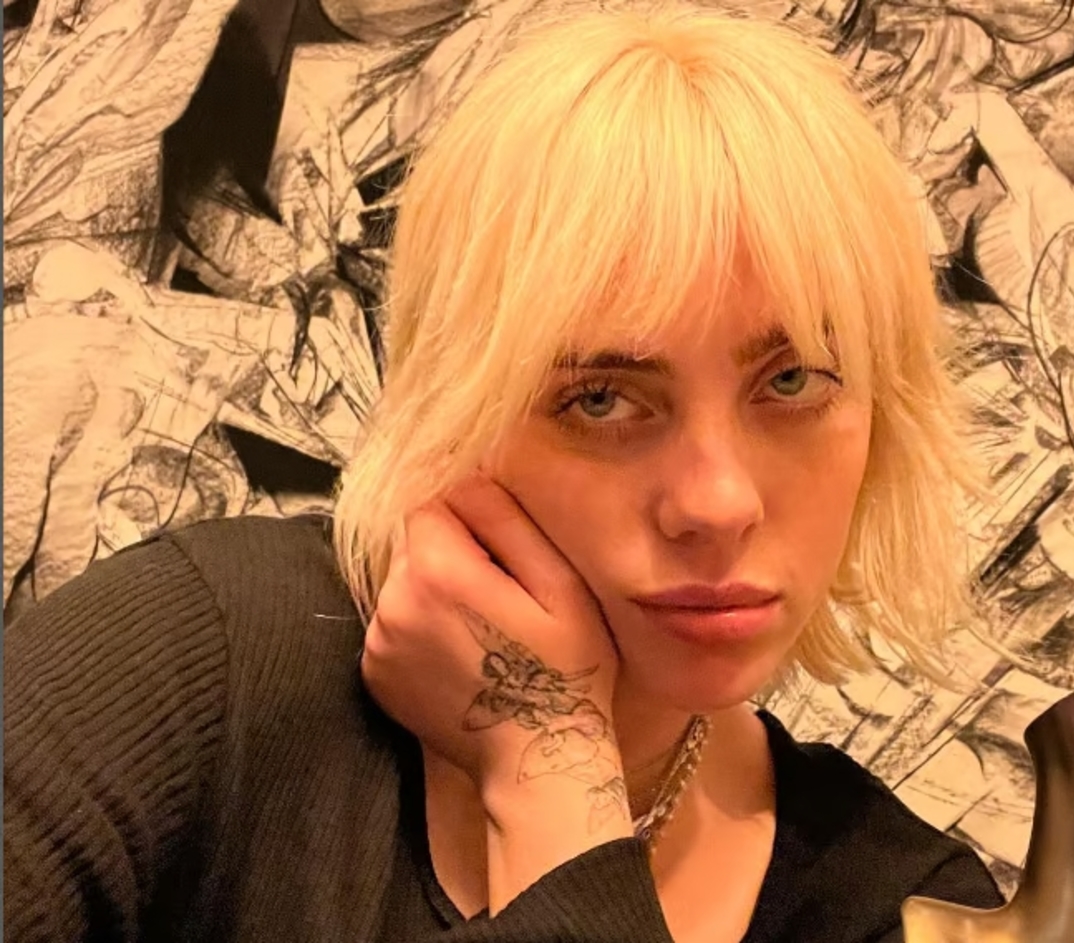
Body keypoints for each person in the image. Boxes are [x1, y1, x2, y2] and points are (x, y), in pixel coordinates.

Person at [3, 3, 1006, 942]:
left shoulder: (909, 907)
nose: (716, 502)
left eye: (792, 380)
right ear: (457, 408)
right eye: (602, 398)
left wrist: (550, 778)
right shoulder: (201, 656)